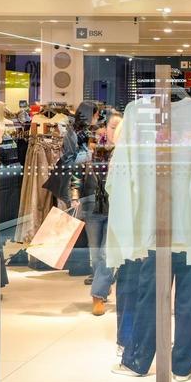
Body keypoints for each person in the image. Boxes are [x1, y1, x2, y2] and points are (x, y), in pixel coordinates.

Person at [72, 108, 121, 317]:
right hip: (92, 206)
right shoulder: (89, 151)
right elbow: (76, 174)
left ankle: (98, 295)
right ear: (103, 127)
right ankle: (104, 281)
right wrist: (75, 195)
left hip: (115, 207)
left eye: (120, 127)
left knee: (105, 252)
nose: (116, 131)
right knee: (95, 254)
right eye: (112, 127)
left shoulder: (123, 154)